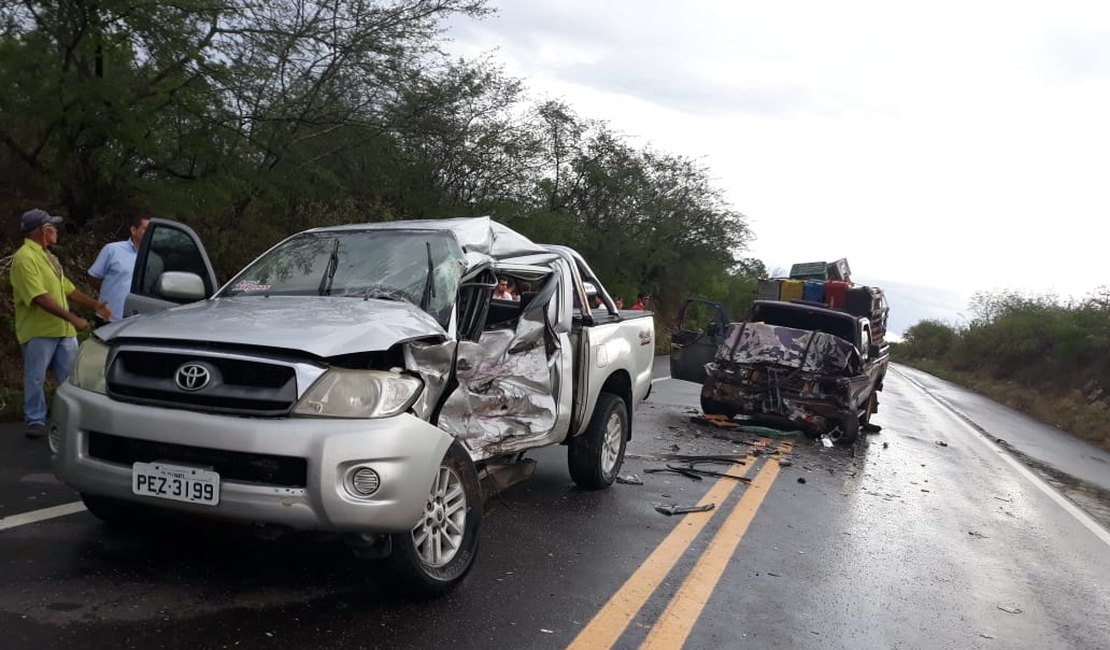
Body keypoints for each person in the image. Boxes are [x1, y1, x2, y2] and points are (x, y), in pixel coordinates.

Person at [11, 209, 112, 438]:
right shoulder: (24, 258)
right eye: (52, 227)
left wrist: (95, 305)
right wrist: (73, 318)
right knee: (35, 377)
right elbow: (39, 297)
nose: (56, 231)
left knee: (71, 377)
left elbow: (68, 288)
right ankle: (35, 421)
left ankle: (71, 418)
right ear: (42, 231)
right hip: (39, 331)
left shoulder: (49, 256)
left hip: (62, 331)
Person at [88, 214, 150, 325]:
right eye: (145, 229)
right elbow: (93, 277)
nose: (149, 233)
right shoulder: (112, 250)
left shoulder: (153, 258)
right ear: (133, 230)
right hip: (109, 317)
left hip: (138, 322)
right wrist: (110, 291)